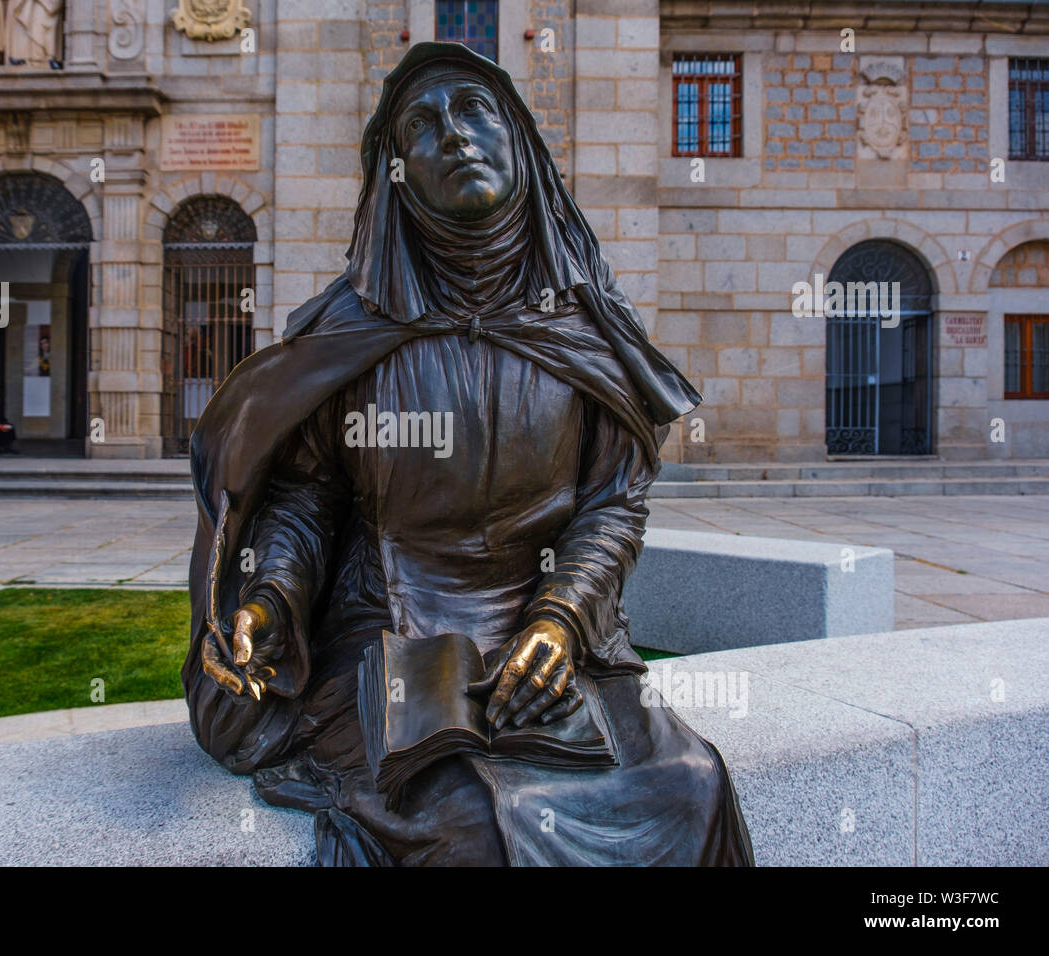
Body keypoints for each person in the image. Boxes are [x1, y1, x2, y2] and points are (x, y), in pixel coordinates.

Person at [181, 42, 753, 866]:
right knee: (469, 820)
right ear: (397, 168)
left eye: (475, 110)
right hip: (386, 632)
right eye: (423, 124)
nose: (454, 135)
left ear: (519, 141)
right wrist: (271, 597)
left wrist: (560, 618)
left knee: (688, 783)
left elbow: (611, 504)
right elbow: (306, 502)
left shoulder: (585, 329)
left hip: (545, 631)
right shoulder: (348, 330)